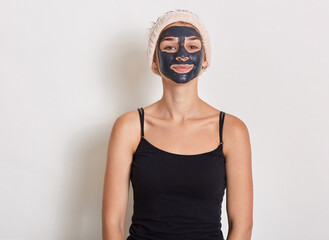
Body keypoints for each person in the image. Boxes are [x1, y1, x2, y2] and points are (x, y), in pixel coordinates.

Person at [102, 9, 253, 240]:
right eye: (170, 47)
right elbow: (112, 223)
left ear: (205, 59)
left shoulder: (232, 130)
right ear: (154, 61)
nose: (182, 54)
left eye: (192, 47)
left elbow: (242, 226)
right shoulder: (129, 127)